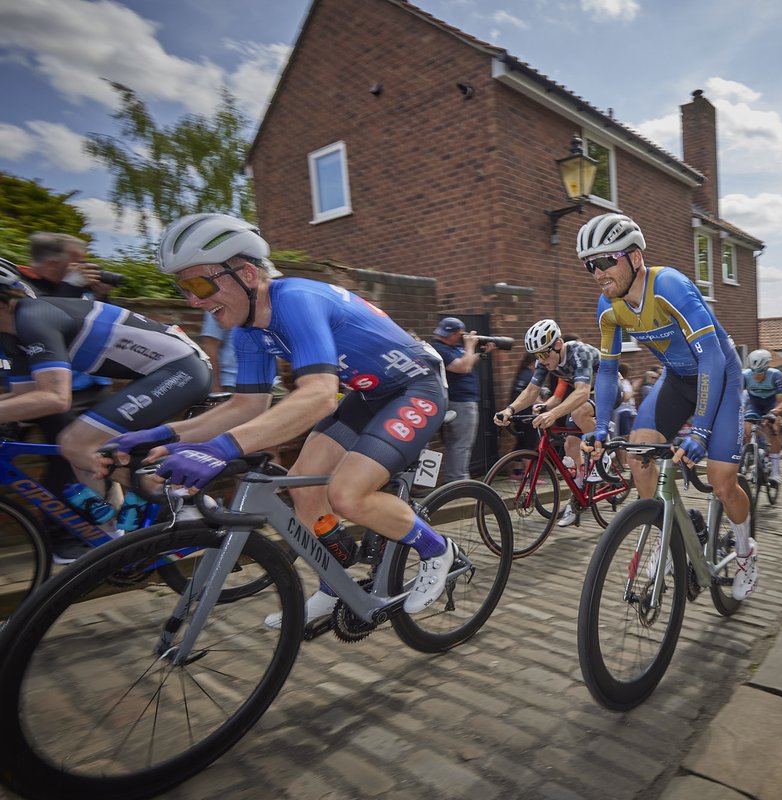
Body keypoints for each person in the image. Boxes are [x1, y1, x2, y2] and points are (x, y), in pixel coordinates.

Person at [114, 212, 456, 625]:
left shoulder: (295, 299)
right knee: (304, 488)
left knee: (347, 495)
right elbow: (245, 406)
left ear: (247, 274)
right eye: (182, 289)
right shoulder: (248, 332)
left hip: (415, 387)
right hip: (369, 394)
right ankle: (334, 585)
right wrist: (165, 434)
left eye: (200, 285)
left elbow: (319, 397)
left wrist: (220, 448)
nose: (192, 301)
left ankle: (438, 550)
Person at [577, 212, 757, 600]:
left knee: (722, 483)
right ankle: (665, 531)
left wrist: (701, 430)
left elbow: (711, 358)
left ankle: (745, 551)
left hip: (720, 377)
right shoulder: (608, 307)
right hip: (676, 381)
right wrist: (602, 427)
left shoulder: (669, 286)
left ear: (635, 257)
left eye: (606, 260)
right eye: (590, 265)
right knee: (638, 454)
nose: (598, 272)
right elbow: (607, 370)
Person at [0, 264, 211, 552]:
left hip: (182, 369)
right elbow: (23, 397)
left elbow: (54, 397)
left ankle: (186, 499)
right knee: (83, 453)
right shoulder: (12, 335)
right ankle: (116, 544)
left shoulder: (31, 316)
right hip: (161, 372)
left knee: (75, 443)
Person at [14, 234, 119, 562]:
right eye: (78, 260)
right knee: (64, 462)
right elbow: (43, 317)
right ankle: (60, 538)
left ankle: (101, 526)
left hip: (94, 384)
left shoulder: (75, 285)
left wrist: (100, 294)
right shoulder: (22, 288)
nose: (86, 266)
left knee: (107, 457)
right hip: (54, 391)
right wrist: (70, 287)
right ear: (52, 263)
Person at [493, 318, 610, 527]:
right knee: (570, 447)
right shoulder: (545, 361)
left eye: (544, 354)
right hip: (588, 394)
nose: (541, 360)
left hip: (609, 387)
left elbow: (582, 392)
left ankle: (603, 455)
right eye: (536, 356)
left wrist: (553, 413)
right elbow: (531, 392)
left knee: (579, 411)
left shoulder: (579, 352)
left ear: (557, 344)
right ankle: (579, 496)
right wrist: (509, 410)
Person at [429, 316, 496, 482]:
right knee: (462, 444)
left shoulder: (453, 347)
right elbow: (463, 367)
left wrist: (481, 353)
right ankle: (459, 481)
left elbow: (467, 361)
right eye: (459, 334)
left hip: (462, 401)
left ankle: (454, 480)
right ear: (454, 334)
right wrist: (470, 345)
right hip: (460, 401)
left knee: (457, 444)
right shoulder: (440, 348)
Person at [742, 348, 782, 482]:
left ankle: (775, 471)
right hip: (754, 404)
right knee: (746, 430)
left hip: (771, 405)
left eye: (760, 371)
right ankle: (750, 457)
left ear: (767, 368)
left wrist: (774, 413)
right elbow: (737, 397)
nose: (757, 374)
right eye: (754, 370)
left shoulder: (776, 375)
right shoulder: (745, 375)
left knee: (772, 429)